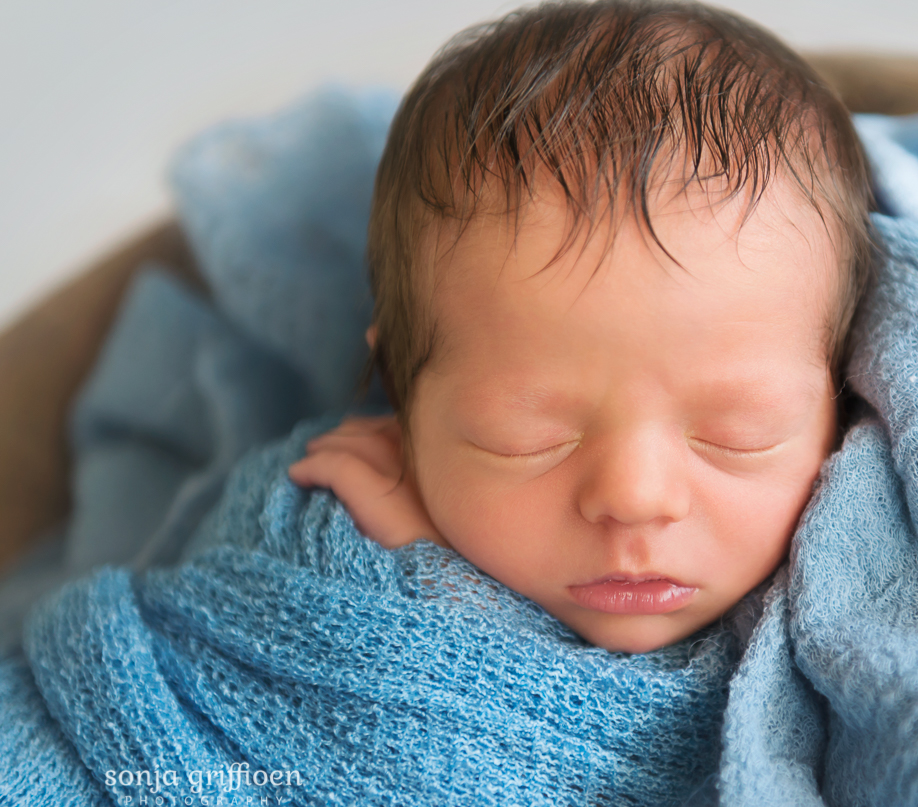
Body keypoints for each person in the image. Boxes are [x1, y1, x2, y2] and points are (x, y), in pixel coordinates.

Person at [288, 0, 876, 653]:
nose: (634, 498)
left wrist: (466, 606)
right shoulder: (329, 537)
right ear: (400, 390)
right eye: (525, 436)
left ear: (842, 392)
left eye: (739, 433)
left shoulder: (882, 599)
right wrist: (425, 584)